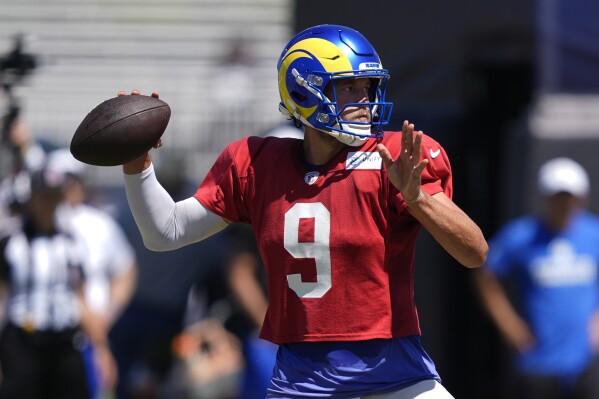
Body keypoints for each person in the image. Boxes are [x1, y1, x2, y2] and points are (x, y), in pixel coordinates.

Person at [119, 24, 488, 398]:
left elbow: (475, 253)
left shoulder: (390, 159)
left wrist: (418, 199)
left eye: (368, 87)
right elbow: (166, 231)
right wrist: (137, 164)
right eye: (349, 87)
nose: (365, 100)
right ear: (304, 90)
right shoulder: (257, 164)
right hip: (304, 382)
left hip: (396, 374)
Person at [474, 157, 599, 399]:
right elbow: (485, 275)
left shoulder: (593, 233)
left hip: (586, 359)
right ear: (545, 197)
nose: (563, 204)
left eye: (569, 196)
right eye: (557, 197)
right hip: (537, 360)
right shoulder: (521, 235)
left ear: (580, 198)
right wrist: (509, 324)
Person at [0, 167, 115, 399]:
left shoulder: (71, 242)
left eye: (54, 197)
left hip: (65, 342)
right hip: (24, 342)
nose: (49, 204)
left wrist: (102, 350)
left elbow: (81, 299)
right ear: (31, 198)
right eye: (44, 196)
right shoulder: (12, 242)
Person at [47, 148, 137, 398]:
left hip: (88, 339)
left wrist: (109, 313)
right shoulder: (42, 226)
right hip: (54, 336)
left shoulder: (99, 224)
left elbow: (126, 268)